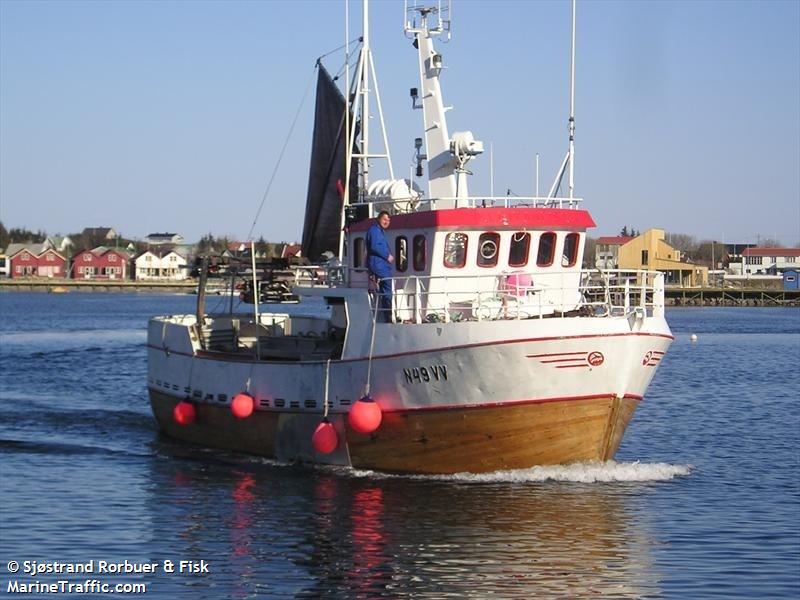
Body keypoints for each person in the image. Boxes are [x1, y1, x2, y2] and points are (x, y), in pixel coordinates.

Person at [366, 211, 395, 322]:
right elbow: (375, 246)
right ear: (378, 219)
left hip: (380, 264)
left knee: (385, 287)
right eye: (384, 219)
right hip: (378, 264)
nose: (386, 222)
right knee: (387, 285)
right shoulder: (375, 230)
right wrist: (387, 256)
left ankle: (387, 312)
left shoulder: (379, 231)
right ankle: (388, 314)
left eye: (388, 220)